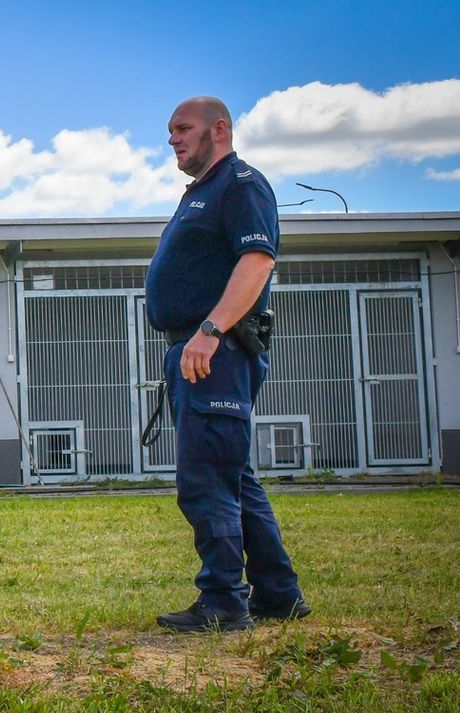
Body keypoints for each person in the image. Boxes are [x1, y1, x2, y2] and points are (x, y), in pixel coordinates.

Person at [144, 96, 309, 633]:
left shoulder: (240, 184)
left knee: (208, 479)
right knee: (233, 476)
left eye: (182, 128)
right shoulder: (203, 192)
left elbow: (257, 260)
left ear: (219, 128)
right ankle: (279, 595)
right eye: (169, 131)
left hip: (215, 351)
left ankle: (223, 602)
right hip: (197, 351)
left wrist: (209, 332)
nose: (173, 138)